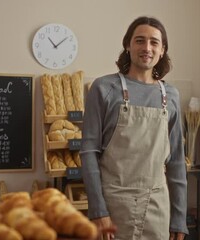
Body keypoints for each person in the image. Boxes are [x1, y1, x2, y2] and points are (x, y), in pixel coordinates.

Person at [80, 16, 188, 240]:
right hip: (114, 205)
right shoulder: (103, 88)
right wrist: (98, 211)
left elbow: (177, 160)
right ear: (128, 45)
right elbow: (89, 153)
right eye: (139, 41)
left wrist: (179, 217)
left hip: (157, 206)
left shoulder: (171, 96)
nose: (146, 48)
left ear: (162, 50)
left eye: (154, 42)